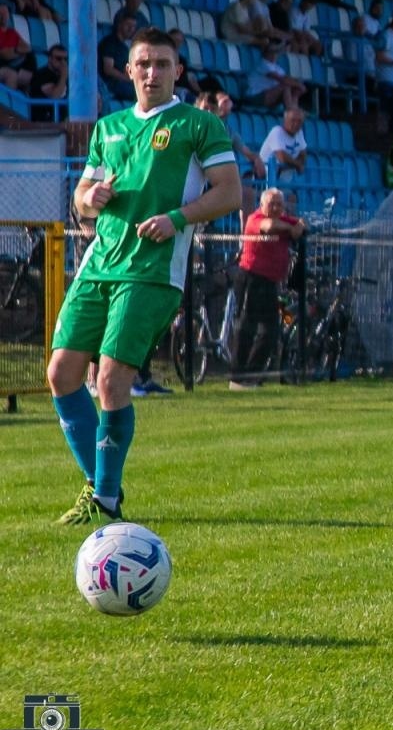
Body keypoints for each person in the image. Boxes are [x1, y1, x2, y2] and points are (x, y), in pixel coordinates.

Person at [47, 26, 242, 524]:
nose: (152, 72)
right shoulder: (108, 128)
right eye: (144, 63)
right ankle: (100, 485)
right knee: (61, 375)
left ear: (177, 71)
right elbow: (82, 197)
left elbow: (230, 193)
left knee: (111, 379)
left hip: (151, 271)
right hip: (99, 263)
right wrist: (88, 199)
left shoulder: (197, 125)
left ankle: (106, 500)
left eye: (162, 64)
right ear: (129, 70)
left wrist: (176, 218)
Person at [230, 188, 303, 390]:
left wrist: (297, 226)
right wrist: (291, 229)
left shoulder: (284, 220)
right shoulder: (256, 219)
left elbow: (301, 225)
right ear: (262, 205)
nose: (277, 208)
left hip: (270, 282)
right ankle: (237, 378)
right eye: (272, 204)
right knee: (246, 327)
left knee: (269, 331)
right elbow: (269, 226)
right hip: (251, 279)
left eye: (280, 204)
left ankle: (252, 376)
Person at [244, 43, 307, 111]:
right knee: (285, 86)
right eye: (272, 52)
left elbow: (287, 79)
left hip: (269, 96)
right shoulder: (263, 64)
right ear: (266, 53)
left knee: (295, 88)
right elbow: (282, 80)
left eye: (276, 52)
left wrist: (298, 85)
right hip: (256, 97)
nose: (275, 54)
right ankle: (290, 111)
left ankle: (294, 108)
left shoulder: (277, 68)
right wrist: (299, 85)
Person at [97, 13, 139, 102]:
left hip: (123, 83)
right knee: (140, 91)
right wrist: (127, 79)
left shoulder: (124, 47)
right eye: (128, 25)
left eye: (133, 26)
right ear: (120, 25)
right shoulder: (110, 43)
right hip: (110, 84)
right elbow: (108, 69)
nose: (131, 29)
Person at [261, 107, 308, 185]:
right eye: (293, 120)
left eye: (299, 121)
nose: (296, 124)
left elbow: (303, 154)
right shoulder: (276, 132)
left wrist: (295, 163)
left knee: (292, 197)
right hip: (267, 180)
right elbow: (282, 157)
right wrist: (298, 165)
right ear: (285, 120)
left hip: (285, 181)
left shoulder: (299, 133)